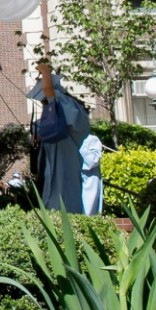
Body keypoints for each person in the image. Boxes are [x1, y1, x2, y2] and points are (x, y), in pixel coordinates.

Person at [29, 59, 90, 213]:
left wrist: (45, 72)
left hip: (64, 160)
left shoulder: (65, 104)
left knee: (63, 198)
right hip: (51, 160)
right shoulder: (56, 110)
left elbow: (51, 96)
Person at [78, 121, 106, 216]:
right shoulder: (69, 141)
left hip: (88, 182)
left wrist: (78, 150)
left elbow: (91, 161)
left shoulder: (92, 140)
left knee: (88, 214)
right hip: (74, 183)